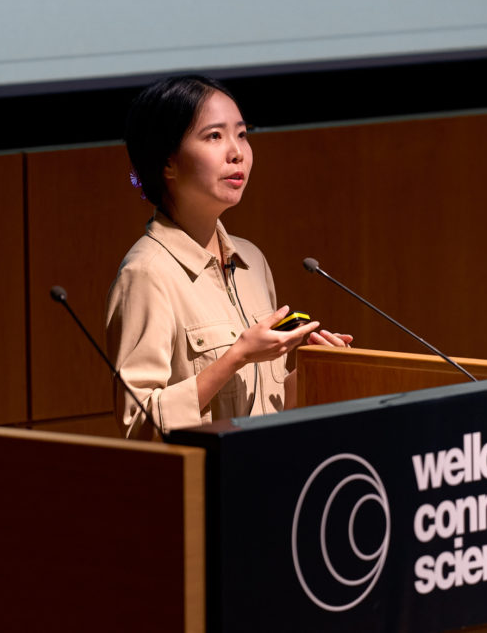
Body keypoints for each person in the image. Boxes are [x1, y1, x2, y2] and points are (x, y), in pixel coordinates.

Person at [106, 75, 350, 439]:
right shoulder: (146, 274)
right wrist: (236, 356)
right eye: (214, 136)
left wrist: (313, 372)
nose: (236, 152)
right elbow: (137, 426)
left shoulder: (251, 259)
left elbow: (270, 405)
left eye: (242, 134)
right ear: (167, 163)